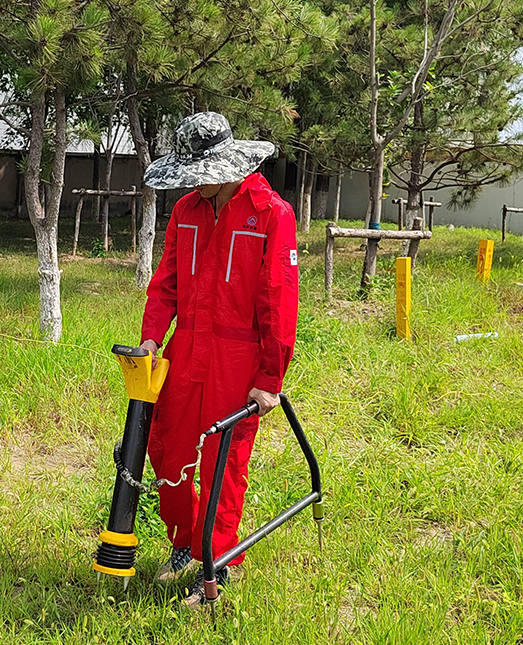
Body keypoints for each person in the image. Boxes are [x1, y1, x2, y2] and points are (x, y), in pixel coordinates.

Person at [138, 112, 299, 608]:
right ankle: (185, 544)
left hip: (238, 357)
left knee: (223, 463)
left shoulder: (270, 213)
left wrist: (270, 377)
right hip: (186, 348)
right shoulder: (185, 211)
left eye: (198, 173)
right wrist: (151, 339)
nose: (192, 183)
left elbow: (280, 300)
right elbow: (166, 282)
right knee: (168, 449)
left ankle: (219, 565)